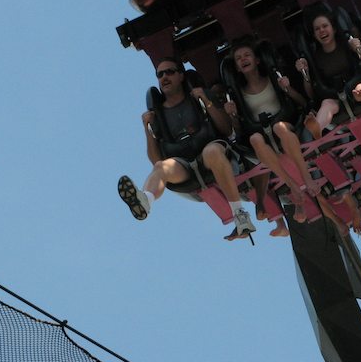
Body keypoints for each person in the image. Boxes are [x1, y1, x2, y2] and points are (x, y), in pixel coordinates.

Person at [117, 57, 257, 239]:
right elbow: (156, 161)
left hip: (211, 154)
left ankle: (240, 214)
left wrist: (206, 101)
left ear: (181, 76)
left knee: (212, 152)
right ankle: (145, 200)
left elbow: (226, 128)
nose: (164, 77)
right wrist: (147, 129)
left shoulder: (198, 97)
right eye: (160, 75)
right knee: (161, 168)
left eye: (169, 72)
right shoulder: (158, 114)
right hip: (184, 167)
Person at [223, 38, 317, 225]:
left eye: (247, 55)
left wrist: (287, 88)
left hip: (285, 126)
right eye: (239, 58)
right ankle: (291, 184)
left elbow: (301, 102)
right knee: (256, 139)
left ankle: (305, 175)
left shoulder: (273, 79)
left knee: (278, 127)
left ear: (257, 60)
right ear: (237, 68)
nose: (243, 59)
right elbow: (239, 129)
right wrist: (232, 115)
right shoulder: (238, 93)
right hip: (261, 137)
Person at [295, 7, 361, 139]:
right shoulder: (315, 58)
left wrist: (359, 50)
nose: (321, 30)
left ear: (333, 29)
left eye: (325, 26)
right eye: (317, 29)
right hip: (335, 96)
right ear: (314, 35)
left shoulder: (347, 45)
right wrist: (304, 73)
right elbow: (311, 94)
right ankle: (318, 126)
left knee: (360, 88)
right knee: (327, 104)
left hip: (355, 86)